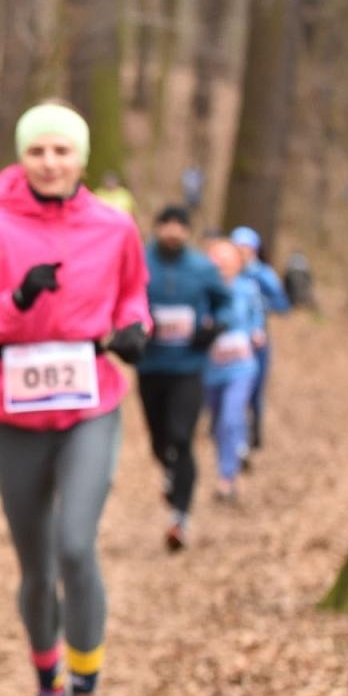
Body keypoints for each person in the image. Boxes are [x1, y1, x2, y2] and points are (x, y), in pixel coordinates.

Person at [0, 101, 150, 696]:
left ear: (82, 159)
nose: (51, 163)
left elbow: (133, 299)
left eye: (63, 151)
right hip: (16, 415)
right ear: (21, 158)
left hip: (91, 407)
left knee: (76, 547)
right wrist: (15, 305)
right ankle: (47, 694)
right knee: (37, 567)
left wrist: (135, 330)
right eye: (38, 152)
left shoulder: (115, 228)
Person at [136, 206, 229, 552]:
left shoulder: (203, 268)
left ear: (188, 232)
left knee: (182, 436)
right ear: (157, 228)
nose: (173, 232)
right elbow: (123, 300)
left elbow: (225, 303)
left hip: (189, 366)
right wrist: (135, 328)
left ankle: (180, 519)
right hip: (150, 366)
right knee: (160, 441)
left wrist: (214, 328)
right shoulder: (140, 263)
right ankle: (169, 470)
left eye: (180, 226)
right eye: (167, 226)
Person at [200, 238, 263, 501]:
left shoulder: (248, 289)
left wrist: (256, 332)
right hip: (211, 369)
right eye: (218, 260)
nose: (223, 265)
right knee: (217, 423)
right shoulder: (203, 290)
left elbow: (256, 318)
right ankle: (234, 451)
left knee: (231, 414)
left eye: (228, 260)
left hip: (242, 366)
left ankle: (227, 477)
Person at [229, 226, 289, 458]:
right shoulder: (227, 272)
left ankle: (255, 433)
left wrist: (261, 304)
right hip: (230, 343)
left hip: (257, 344)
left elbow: (282, 304)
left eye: (246, 248)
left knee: (254, 391)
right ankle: (235, 436)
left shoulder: (264, 275)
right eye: (238, 248)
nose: (242, 253)